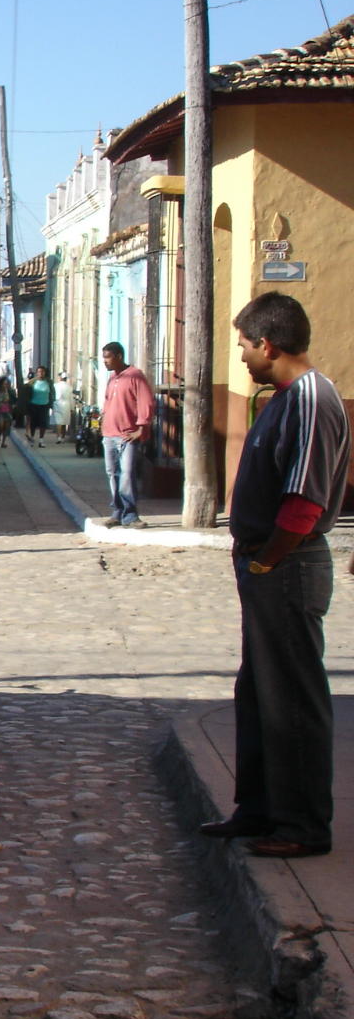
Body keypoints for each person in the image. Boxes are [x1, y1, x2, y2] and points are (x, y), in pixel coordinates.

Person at [199, 293, 349, 859]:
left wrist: (268, 559)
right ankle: (259, 809)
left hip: (288, 565)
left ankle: (302, 824)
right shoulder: (282, 399)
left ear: (268, 343)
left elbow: (304, 502)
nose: (239, 356)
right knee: (258, 691)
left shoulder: (312, 399)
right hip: (267, 565)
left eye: (242, 344)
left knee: (292, 699)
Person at [98, 342, 155, 528]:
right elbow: (107, 403)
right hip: (109, 433)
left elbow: (146, 402)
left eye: (108, 357)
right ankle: (117, 511)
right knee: (112, 473)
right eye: (104, 357)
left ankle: (130, 514)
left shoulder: (135, 376)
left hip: (127, 434)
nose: (105, 361)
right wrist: (103, 421)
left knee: (127, 474)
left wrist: (141, 428)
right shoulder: (113, 378)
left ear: (119, 356)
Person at [25, 365, 54, 446]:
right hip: (33, 405)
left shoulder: (49, 382)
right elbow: (27, 393)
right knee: (33, 423)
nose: (41, 373)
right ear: (37, 373)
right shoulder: (32, 382)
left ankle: (41, 440)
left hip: (44, 405)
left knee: (43, 423)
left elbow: (52, 393)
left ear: (45, 373)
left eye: (42, 372)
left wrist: (52, 403)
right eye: (39, 372)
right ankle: (32, 437)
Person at [0, 379, 14, 449]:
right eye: (4, 384)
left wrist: (12, 405)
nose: (5, 385)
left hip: (8, 411)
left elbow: (14, 400)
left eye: (6, 384)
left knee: (6, 427)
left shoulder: (10, 392)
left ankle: (3, 442)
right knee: (1, 425)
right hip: (0, 411)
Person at [52, 371, 72, 442]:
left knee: (58, 421)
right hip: (66, 405)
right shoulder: (69, 387)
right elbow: (71, 398)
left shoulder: (55, 385)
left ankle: (58, 437)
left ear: (60, 378)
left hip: (57, 404)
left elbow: (53, 395)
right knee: (64, 421)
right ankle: (63, 437)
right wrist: (72, 407)